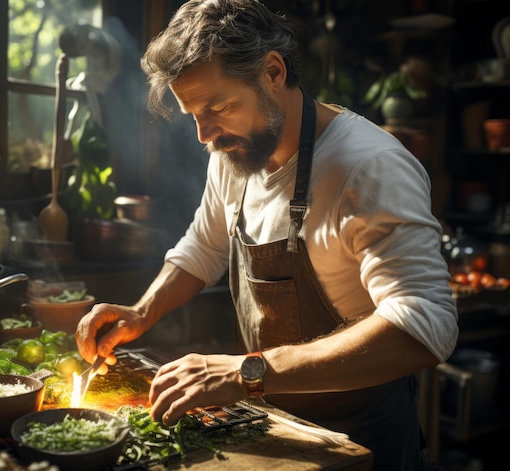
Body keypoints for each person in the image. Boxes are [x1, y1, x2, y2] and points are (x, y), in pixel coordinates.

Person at [76, 1, 458, 469]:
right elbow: (205, 243)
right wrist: (141, 311)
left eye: (218, 107)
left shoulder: (369, 168)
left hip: (360, 437)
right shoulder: (234, 151)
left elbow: (425, 327)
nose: (204, 135)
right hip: (273, 419)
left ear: (273, 71)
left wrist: (247, 370)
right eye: (193, 113)